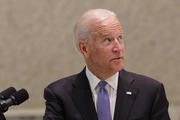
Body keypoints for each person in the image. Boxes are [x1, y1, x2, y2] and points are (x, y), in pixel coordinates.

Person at [43, 9, 170, 120]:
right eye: (108, 40)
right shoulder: (60, 94)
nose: (118, 48)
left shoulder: (150, 92)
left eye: (120, 38)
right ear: (85, 49)